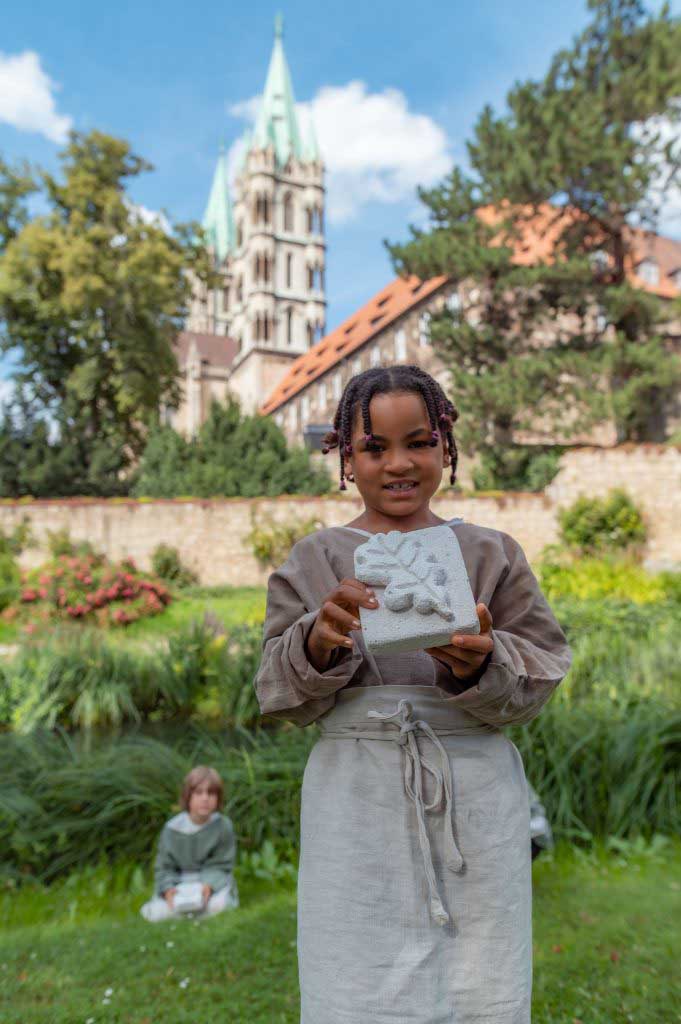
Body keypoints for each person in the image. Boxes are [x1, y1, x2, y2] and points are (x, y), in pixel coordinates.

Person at [254, 364, 572, 1024]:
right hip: (355, 798)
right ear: (345, 455)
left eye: (418, 442)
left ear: (445, 446)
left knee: (476, 981)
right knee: (356, 984)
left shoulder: (491, 553)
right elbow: (277, 696)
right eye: (373, 448)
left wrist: (476, 666)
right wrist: (319, 641)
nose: (397, 464)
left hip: (471, 796)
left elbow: (541, 673)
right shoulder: (314, 560)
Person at [140, 765, 239, 923]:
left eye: (211, 793)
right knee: (156, 913)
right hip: (180, 884)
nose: (205, 798)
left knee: (218, 906)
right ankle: (184, 912)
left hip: (210, 884)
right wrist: (168, 890)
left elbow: (222, 865)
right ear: (188, 797)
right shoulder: (172, 829)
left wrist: (208, 886)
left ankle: (192, 913)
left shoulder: (223, 826)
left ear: (218, 798)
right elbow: (164, 867)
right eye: (199, 793)